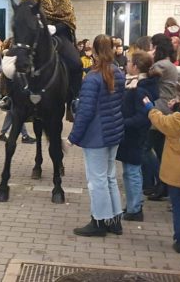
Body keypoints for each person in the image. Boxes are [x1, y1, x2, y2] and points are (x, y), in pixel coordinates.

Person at [68, 34, 125, 237]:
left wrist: (72, 138)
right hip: (114, 131)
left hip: (96, 135)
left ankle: (99, 222)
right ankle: (115, 220)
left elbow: (85, 112)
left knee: (97, 181)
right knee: (110, 177)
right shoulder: (118, 72)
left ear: (94, 51)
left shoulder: (93, 77)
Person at [21, 0, 82, 110]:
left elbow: (68, 17)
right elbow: (23, 19)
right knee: (14, 63)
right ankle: (11, 98)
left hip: (58, 34)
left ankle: (75, 99)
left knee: (76, 63)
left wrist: (55, 28)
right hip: (34, 37)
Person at [116, 50, 159, 222]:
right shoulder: (138, 85)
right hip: (132, 135)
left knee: (132, 171)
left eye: (128, 62)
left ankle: (135, 208)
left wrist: (124, 123)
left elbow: (142, 116)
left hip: (134, 136)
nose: (126, 65)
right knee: (130, 171)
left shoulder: (141, 89)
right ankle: (133, 204)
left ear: (135, 66)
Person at [144, 96, 180, 253]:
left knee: (178, 206)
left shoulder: (175, 120)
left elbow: (159, 120)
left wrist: (149, 107)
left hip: (175, 174)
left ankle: (179, 239)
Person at [146, 34, 178, 201]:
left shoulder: (161, 65)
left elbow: (148, 74)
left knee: (146, 148)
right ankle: (163, 185)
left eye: (152, 47)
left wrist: (147, 59)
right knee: (159, 150)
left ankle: (161, 182)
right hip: (167, 110)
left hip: (159, 109)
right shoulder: (170, 64)